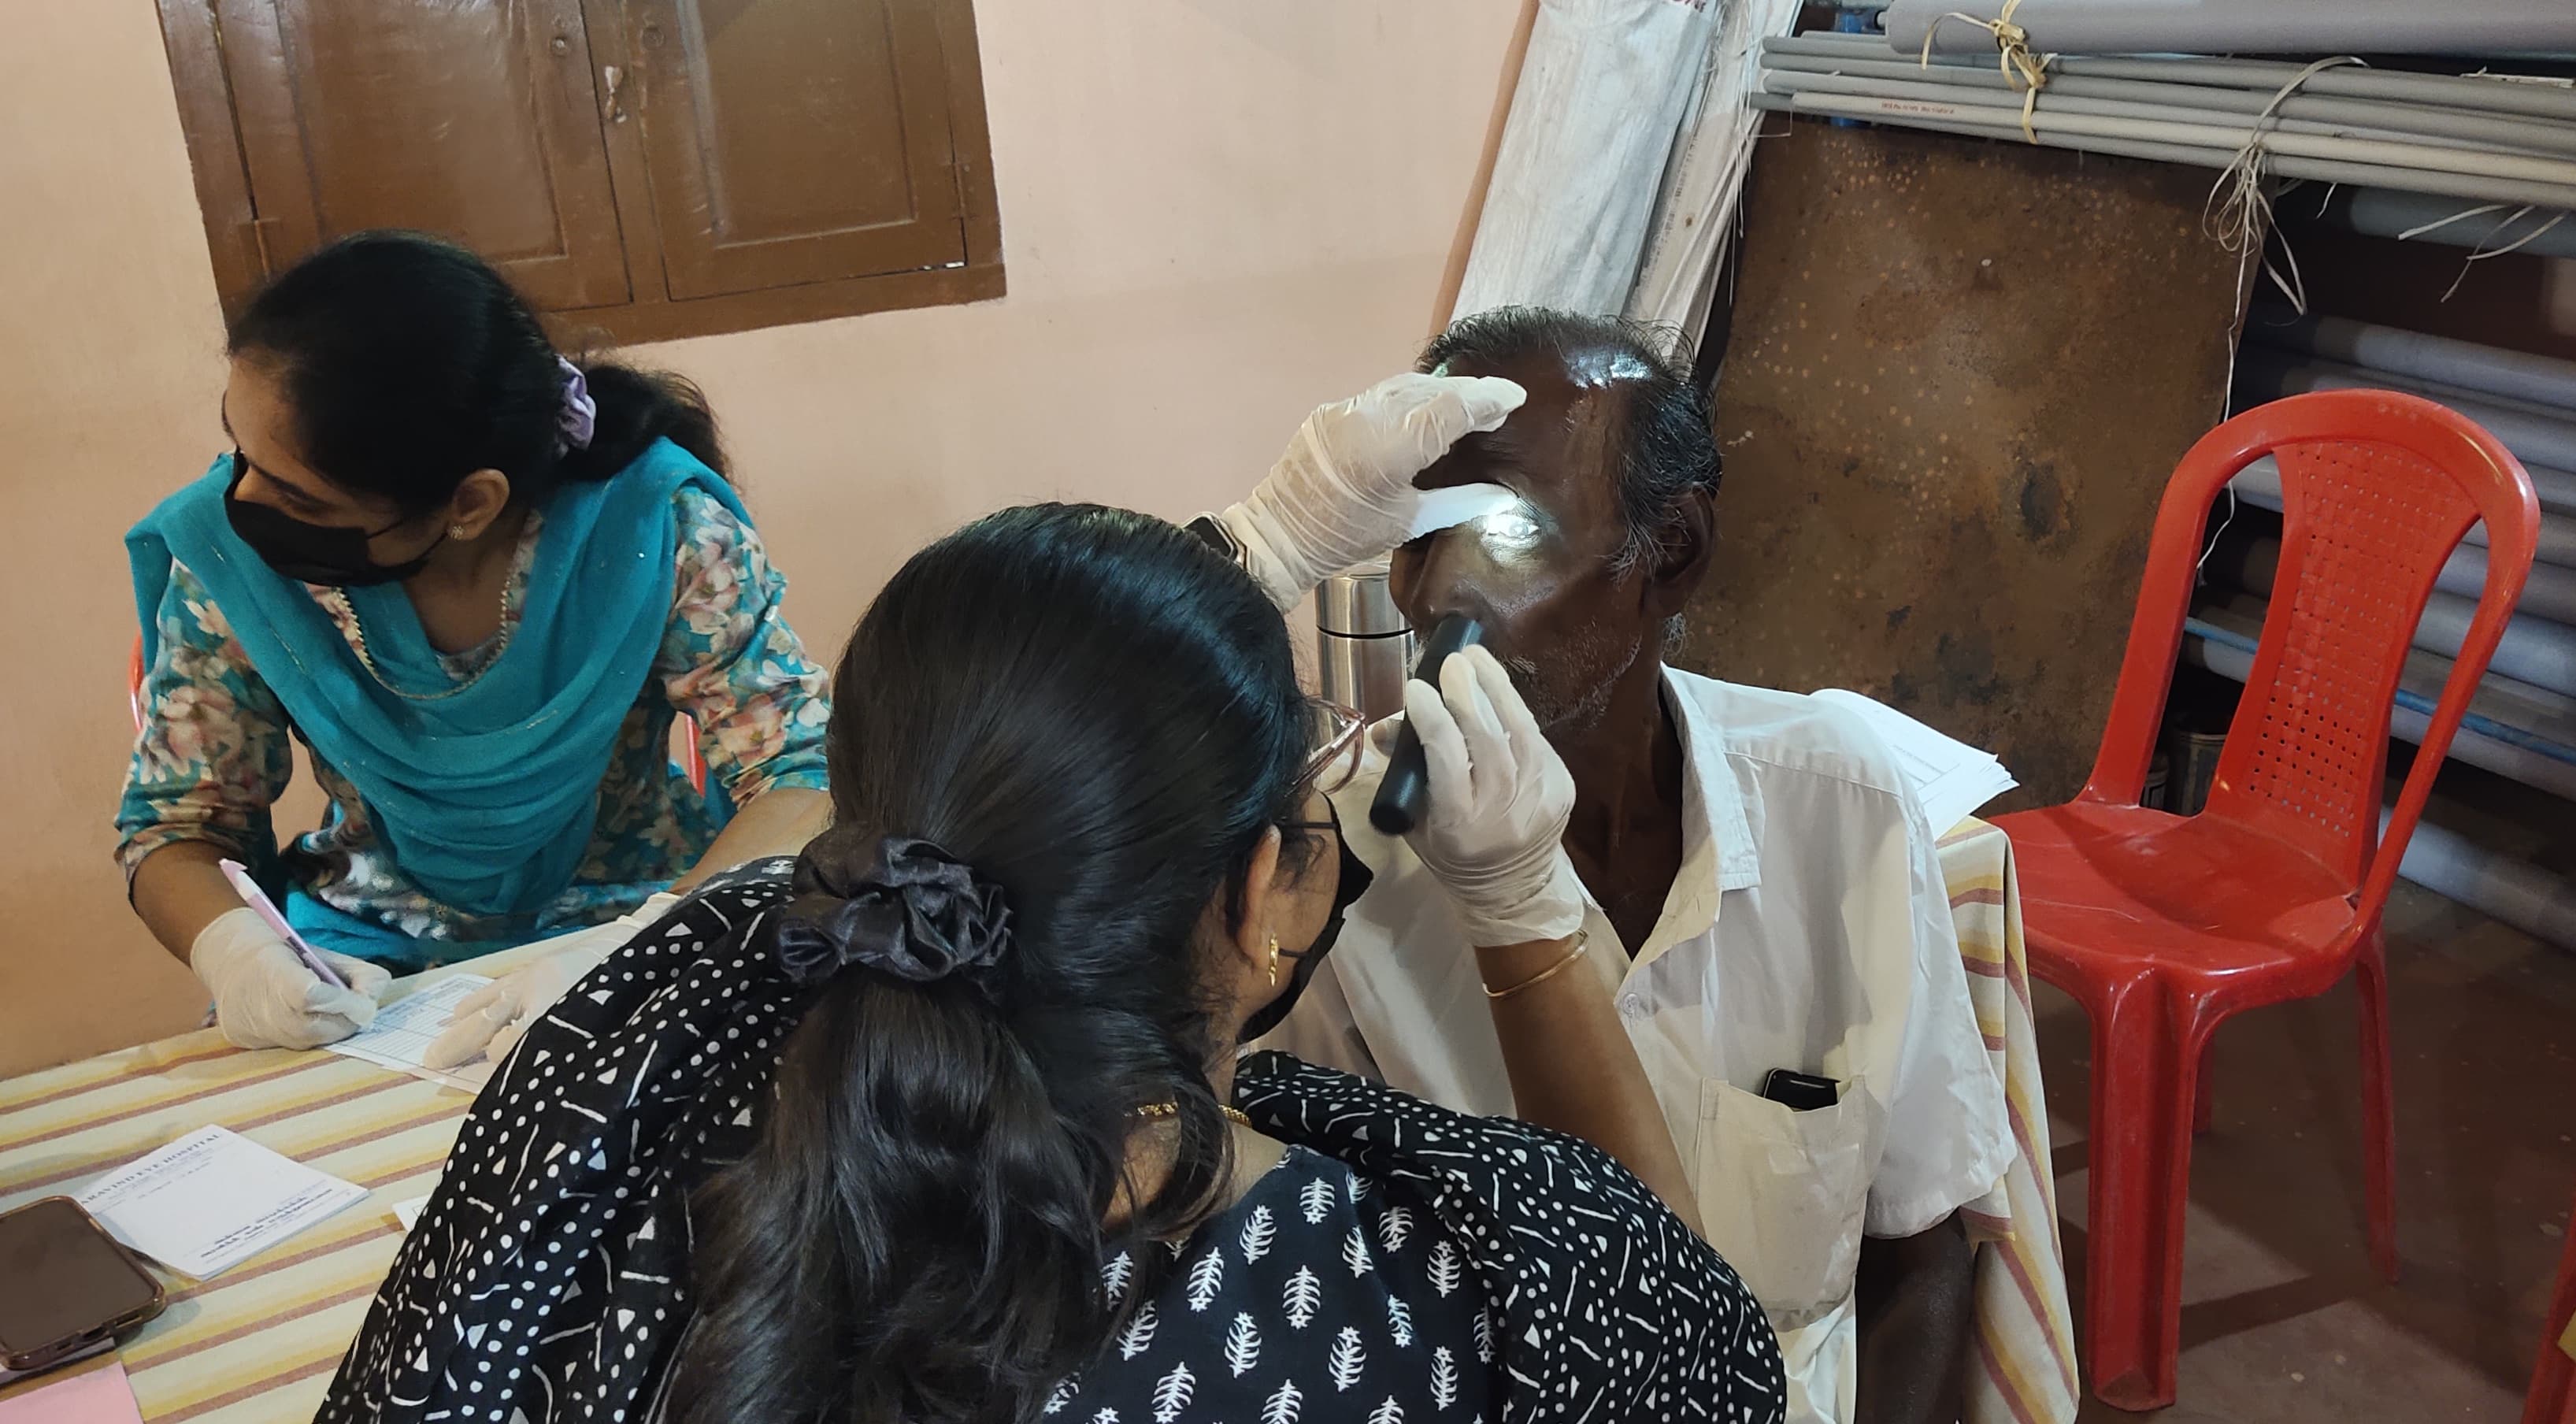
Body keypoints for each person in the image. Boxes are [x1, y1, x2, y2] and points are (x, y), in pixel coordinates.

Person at [317, 503, 1783, 1424]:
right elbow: (1676, 1333)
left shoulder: (685, 1022)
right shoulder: (1377, 1308)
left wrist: (1232, 568)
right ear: (1269, 892)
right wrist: (1527, 911)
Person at [1272, 308, 2014, 1424]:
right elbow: (1334, 1332)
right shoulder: (1339, 878)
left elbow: (1920, 1250)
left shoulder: (1839, 806)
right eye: (1416, 534)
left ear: (1672, 556)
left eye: (1510, 538)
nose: (1432, 596)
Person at [118, 231, 831, 1055]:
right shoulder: (235, 559)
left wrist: (649, 944)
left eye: (298, 496)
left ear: (468, 505)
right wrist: (236, 953)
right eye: (241, 453)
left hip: (629, 919)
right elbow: (178, 825)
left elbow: (801, 770)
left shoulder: (652, 531)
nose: (237, 498)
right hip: (365, 970)